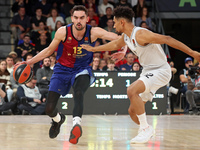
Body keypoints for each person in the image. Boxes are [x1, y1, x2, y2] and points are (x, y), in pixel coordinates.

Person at [81, 6, 200, 144]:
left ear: (122, 22)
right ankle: (146, 129)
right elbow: (114, 44)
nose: (113, 25)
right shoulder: (126, 36)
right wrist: (94, 49)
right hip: (148, 71)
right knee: (132, 111)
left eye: (114, 22)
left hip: (160, 70)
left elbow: (167, 38)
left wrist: (193, 53)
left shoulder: (140, 34)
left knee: (131, 90)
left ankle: (145, 129)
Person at [16, 5, 120, 144]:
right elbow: (48, 50)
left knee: (78, 92)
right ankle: (58, 120)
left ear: (87, 19)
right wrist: (29, 63)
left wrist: (125, 47)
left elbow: (117, 38)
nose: (79, 21)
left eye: (82, 18)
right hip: (62, 69)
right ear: (72, 18)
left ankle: (76, 124)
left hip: (82, 69)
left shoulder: (94, 32)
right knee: (49, 108)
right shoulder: (63, 32)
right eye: (76, 17)